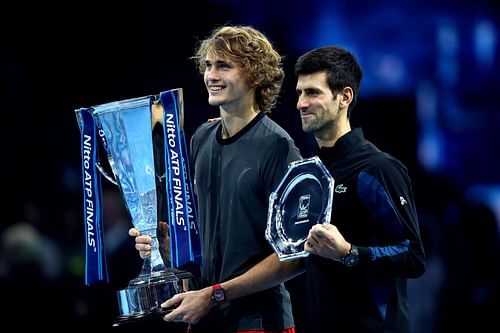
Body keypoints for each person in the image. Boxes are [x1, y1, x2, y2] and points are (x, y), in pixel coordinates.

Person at [129, 25, 303, 332]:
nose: (211, 75)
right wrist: (171, 246)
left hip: (260, 322)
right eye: (208, 65)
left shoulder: (278, 147)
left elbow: (294, 258)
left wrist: (216, 294)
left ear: (256, 76)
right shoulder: (202, 138)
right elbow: (210, 242)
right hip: (205, 317)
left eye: (224, 66)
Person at [295, 46, 426, 332]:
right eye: (300, 93)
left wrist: (349, 252)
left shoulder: (377, 168)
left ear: (344, 97)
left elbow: (413, 257)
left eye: (313, 92)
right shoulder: (307, 173)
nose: (301, 103)